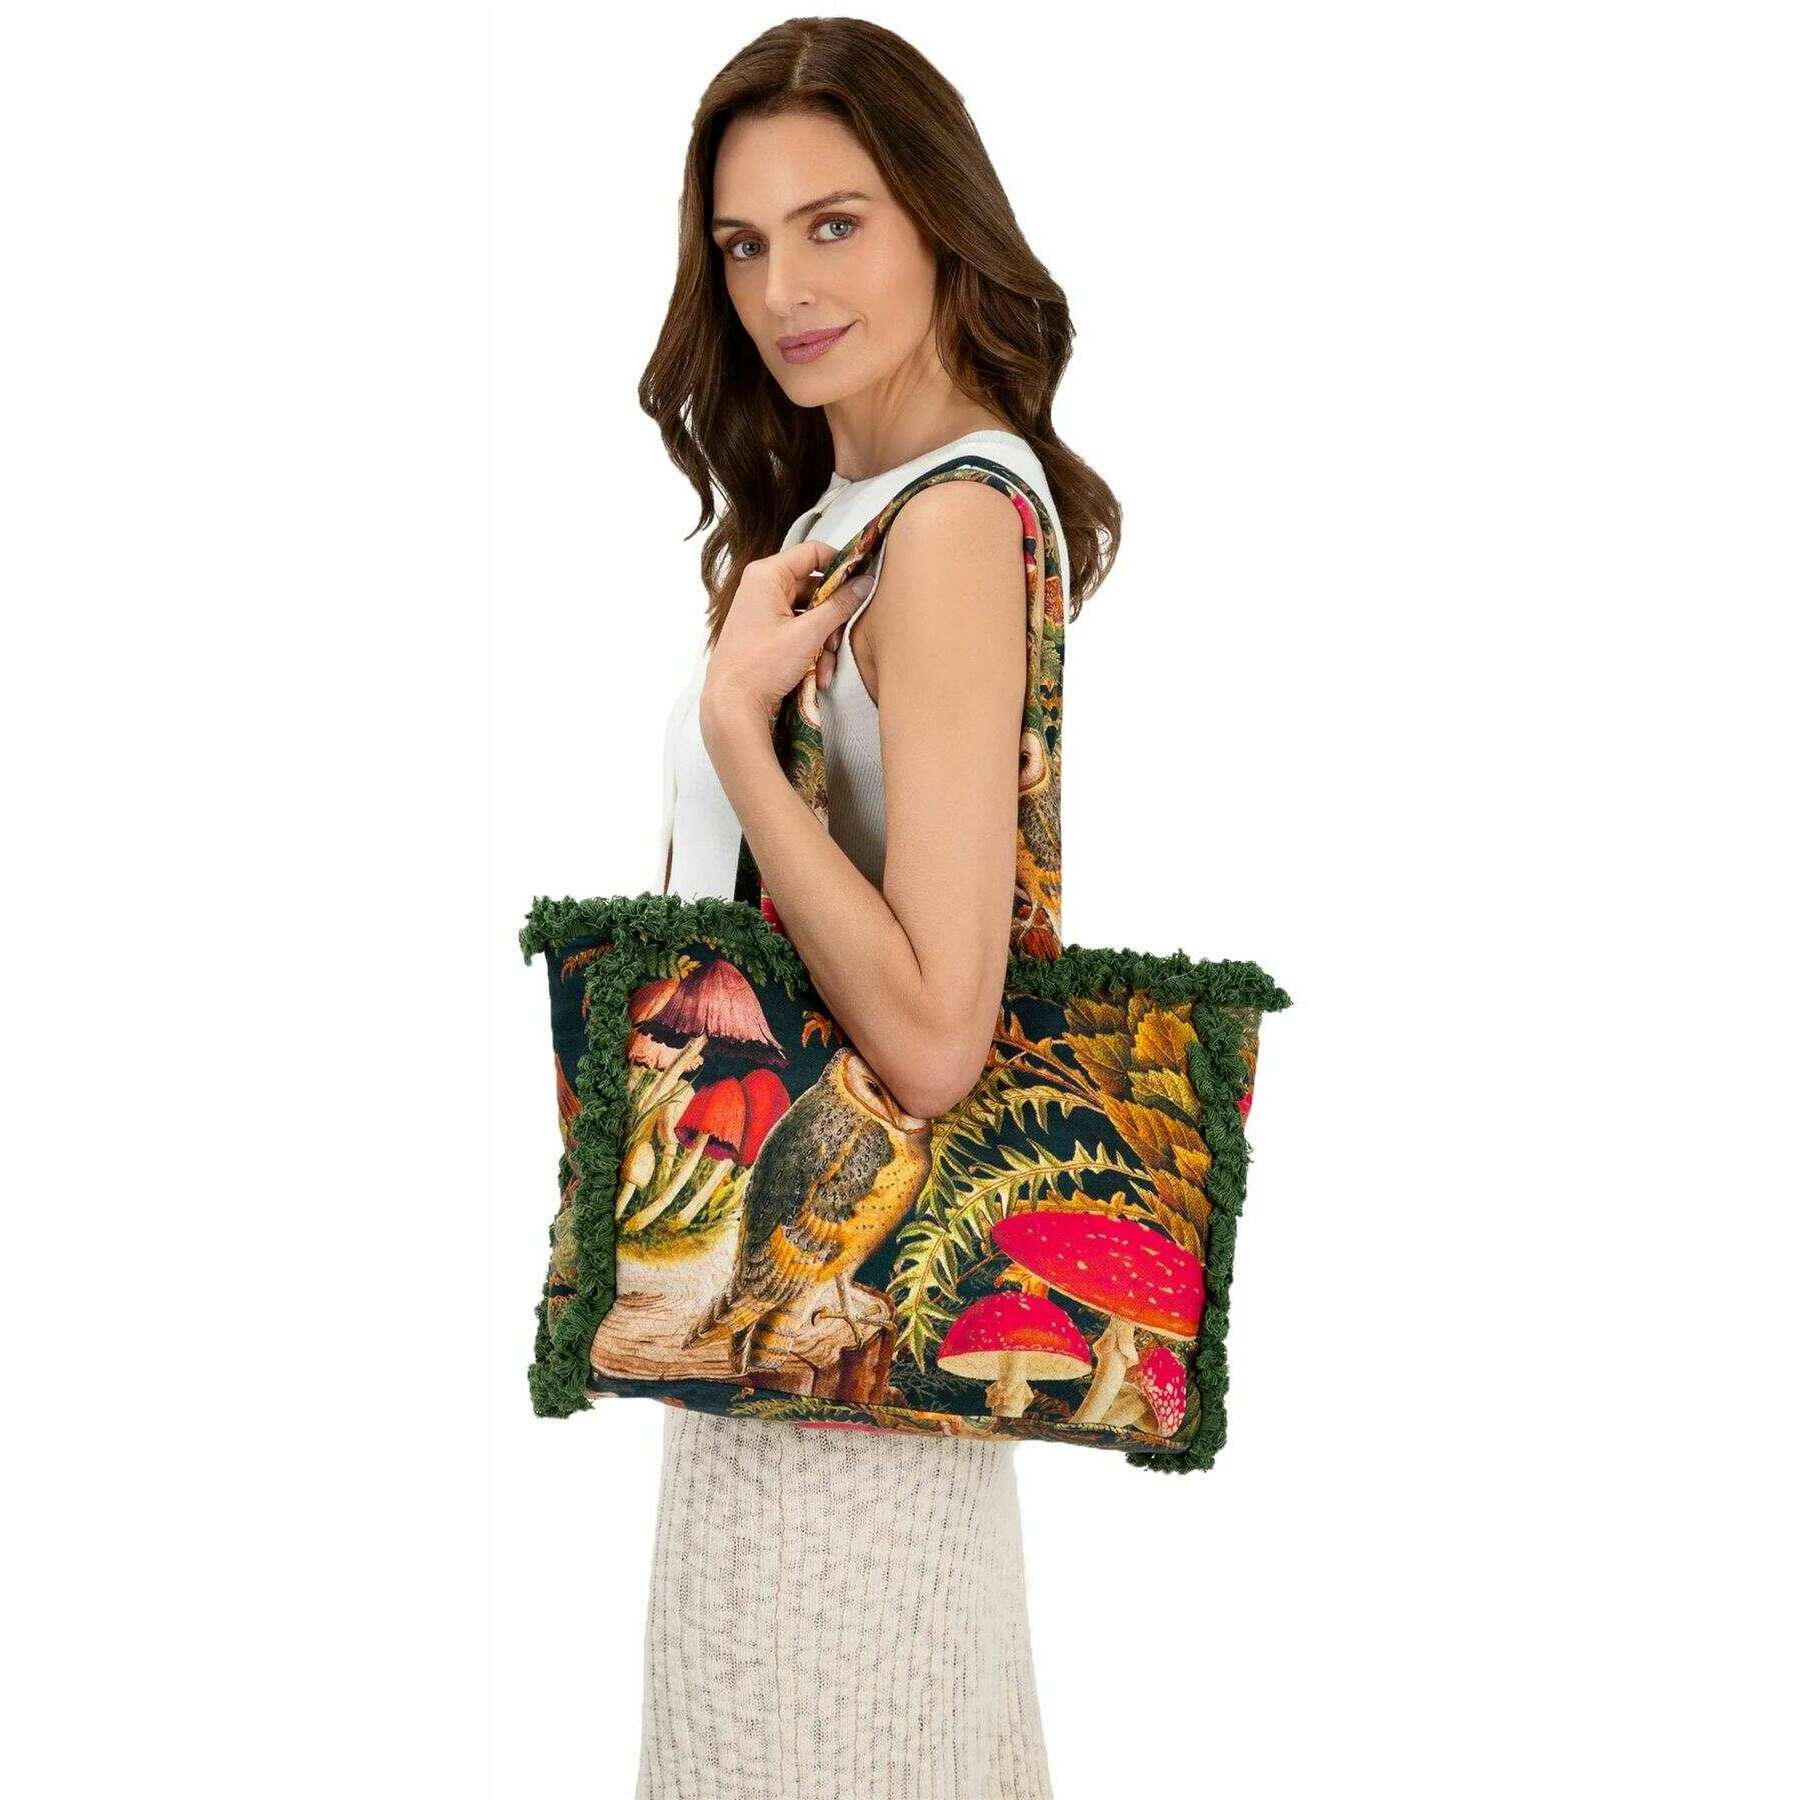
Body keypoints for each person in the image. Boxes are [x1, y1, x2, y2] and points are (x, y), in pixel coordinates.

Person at [632, 19, 1119, 1799]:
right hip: (794, 1356)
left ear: (937, 216)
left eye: (834, 224)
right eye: (743, 244)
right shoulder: (851, 515)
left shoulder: (949, 521)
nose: (783, 290)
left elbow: (932, 1036)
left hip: (835, 1397)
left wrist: (736, 740)